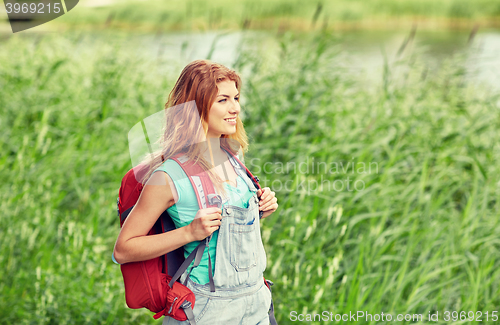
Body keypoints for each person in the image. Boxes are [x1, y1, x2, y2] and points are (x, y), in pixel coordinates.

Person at [113, 59, 278, 324]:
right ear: (197, 106)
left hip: (256, 303)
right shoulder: (168, 176)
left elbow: (231, 228)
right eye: (223, 100)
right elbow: (123, 249)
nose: (235, 107)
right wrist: (189, 232)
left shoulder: (234, 157)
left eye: (236, 98)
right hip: (208, 311)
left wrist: (261, 207)